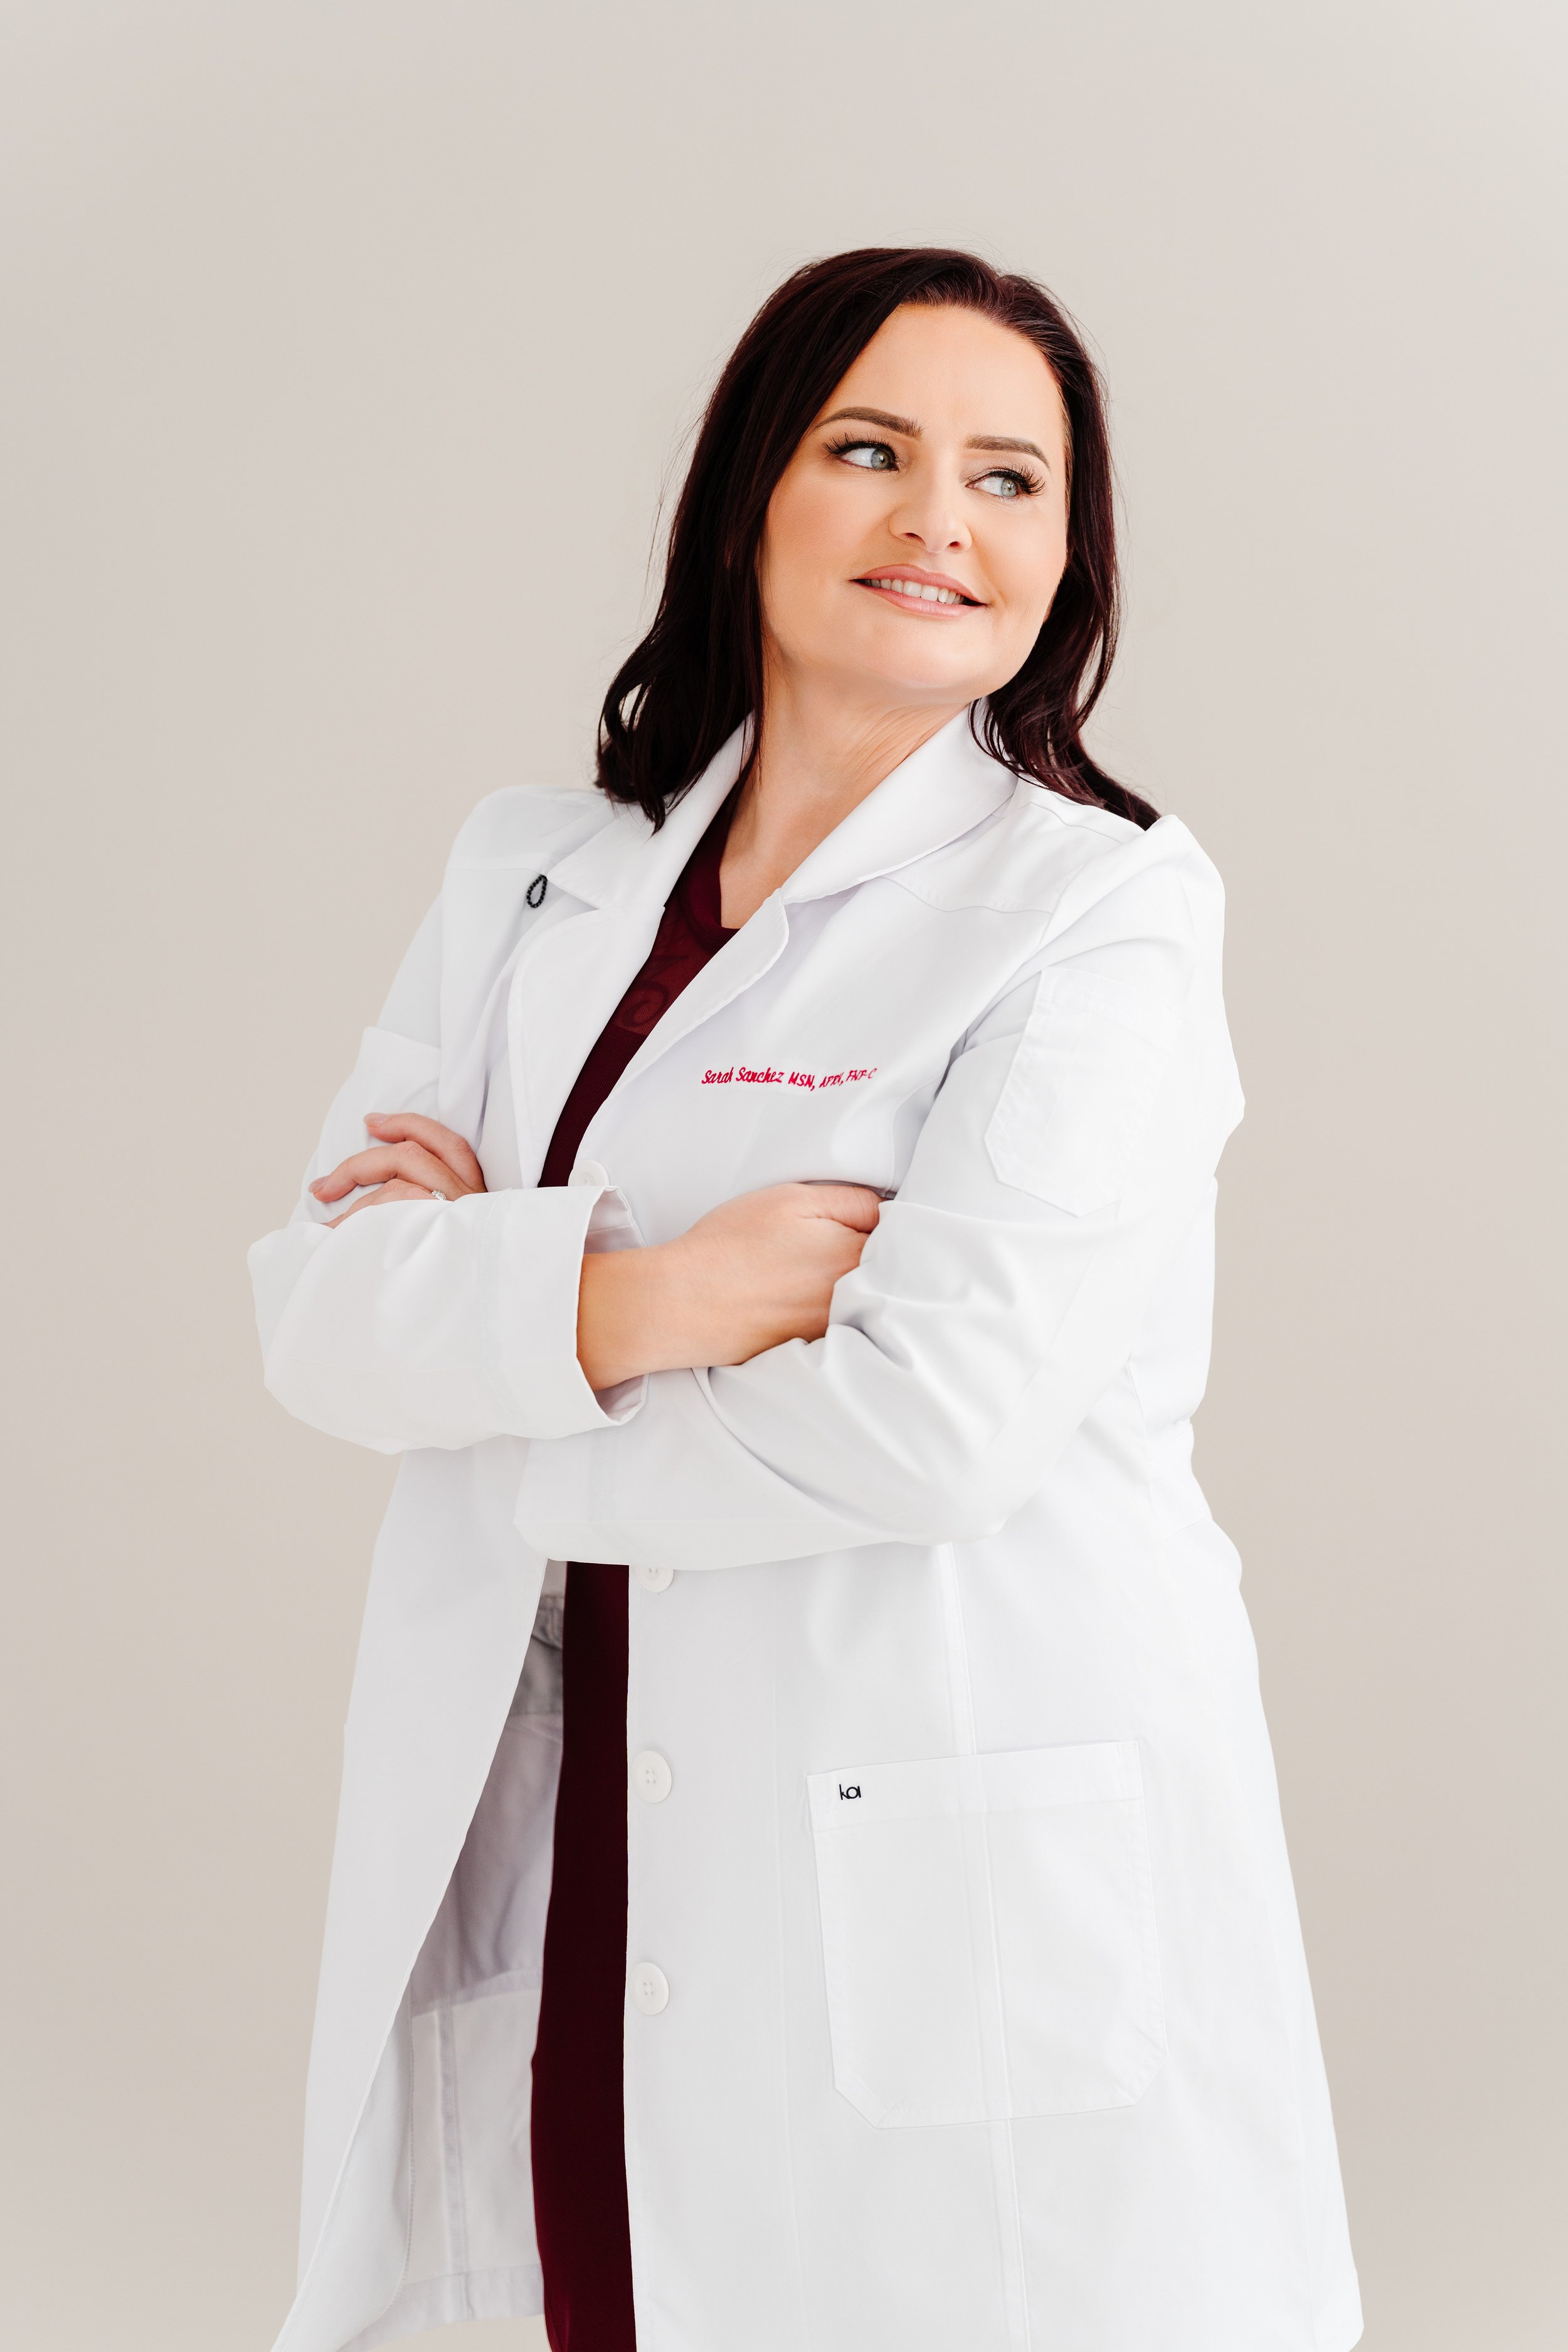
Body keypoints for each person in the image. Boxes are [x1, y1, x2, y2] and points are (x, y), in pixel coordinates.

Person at [250, 246, 1361, 2352]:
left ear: (1065, 555)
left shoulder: (1099, 906)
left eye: (1009, 479)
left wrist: (493, 1341)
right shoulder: (532, 869)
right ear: (750, 489)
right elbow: (314, 1313)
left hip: (927, 1807)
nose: (940, 519)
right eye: (870, 450)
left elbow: (934, 1426)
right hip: (562, 1792)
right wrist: (663, 1297)